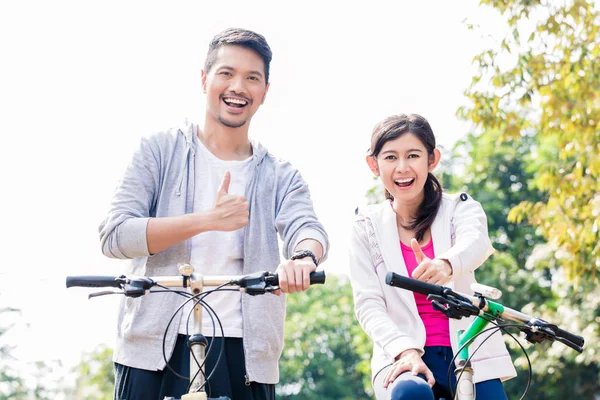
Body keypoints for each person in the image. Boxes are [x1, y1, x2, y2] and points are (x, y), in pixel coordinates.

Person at [99, 28, 329, 400]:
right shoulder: (158, 151)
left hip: (244, 348)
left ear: (265, 92)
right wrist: (207, 220)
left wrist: (303, 257)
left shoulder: (279, 173)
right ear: (205, 79)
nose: (238, 87)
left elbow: (307, 227)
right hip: (152, 345)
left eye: (252, 78)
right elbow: (115, 236)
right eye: (226, 73)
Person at [348, 113, 516, 400]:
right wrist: (404, 349)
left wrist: (446, 263)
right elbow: (368, 304)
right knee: (410, 393)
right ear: (373, 164)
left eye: (413, 155)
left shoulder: (459, 208)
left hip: (469, 351)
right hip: (404, 355)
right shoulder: (366, 227)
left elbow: (476, 241)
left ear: (432, 159)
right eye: (390, 157)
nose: (402, 168)